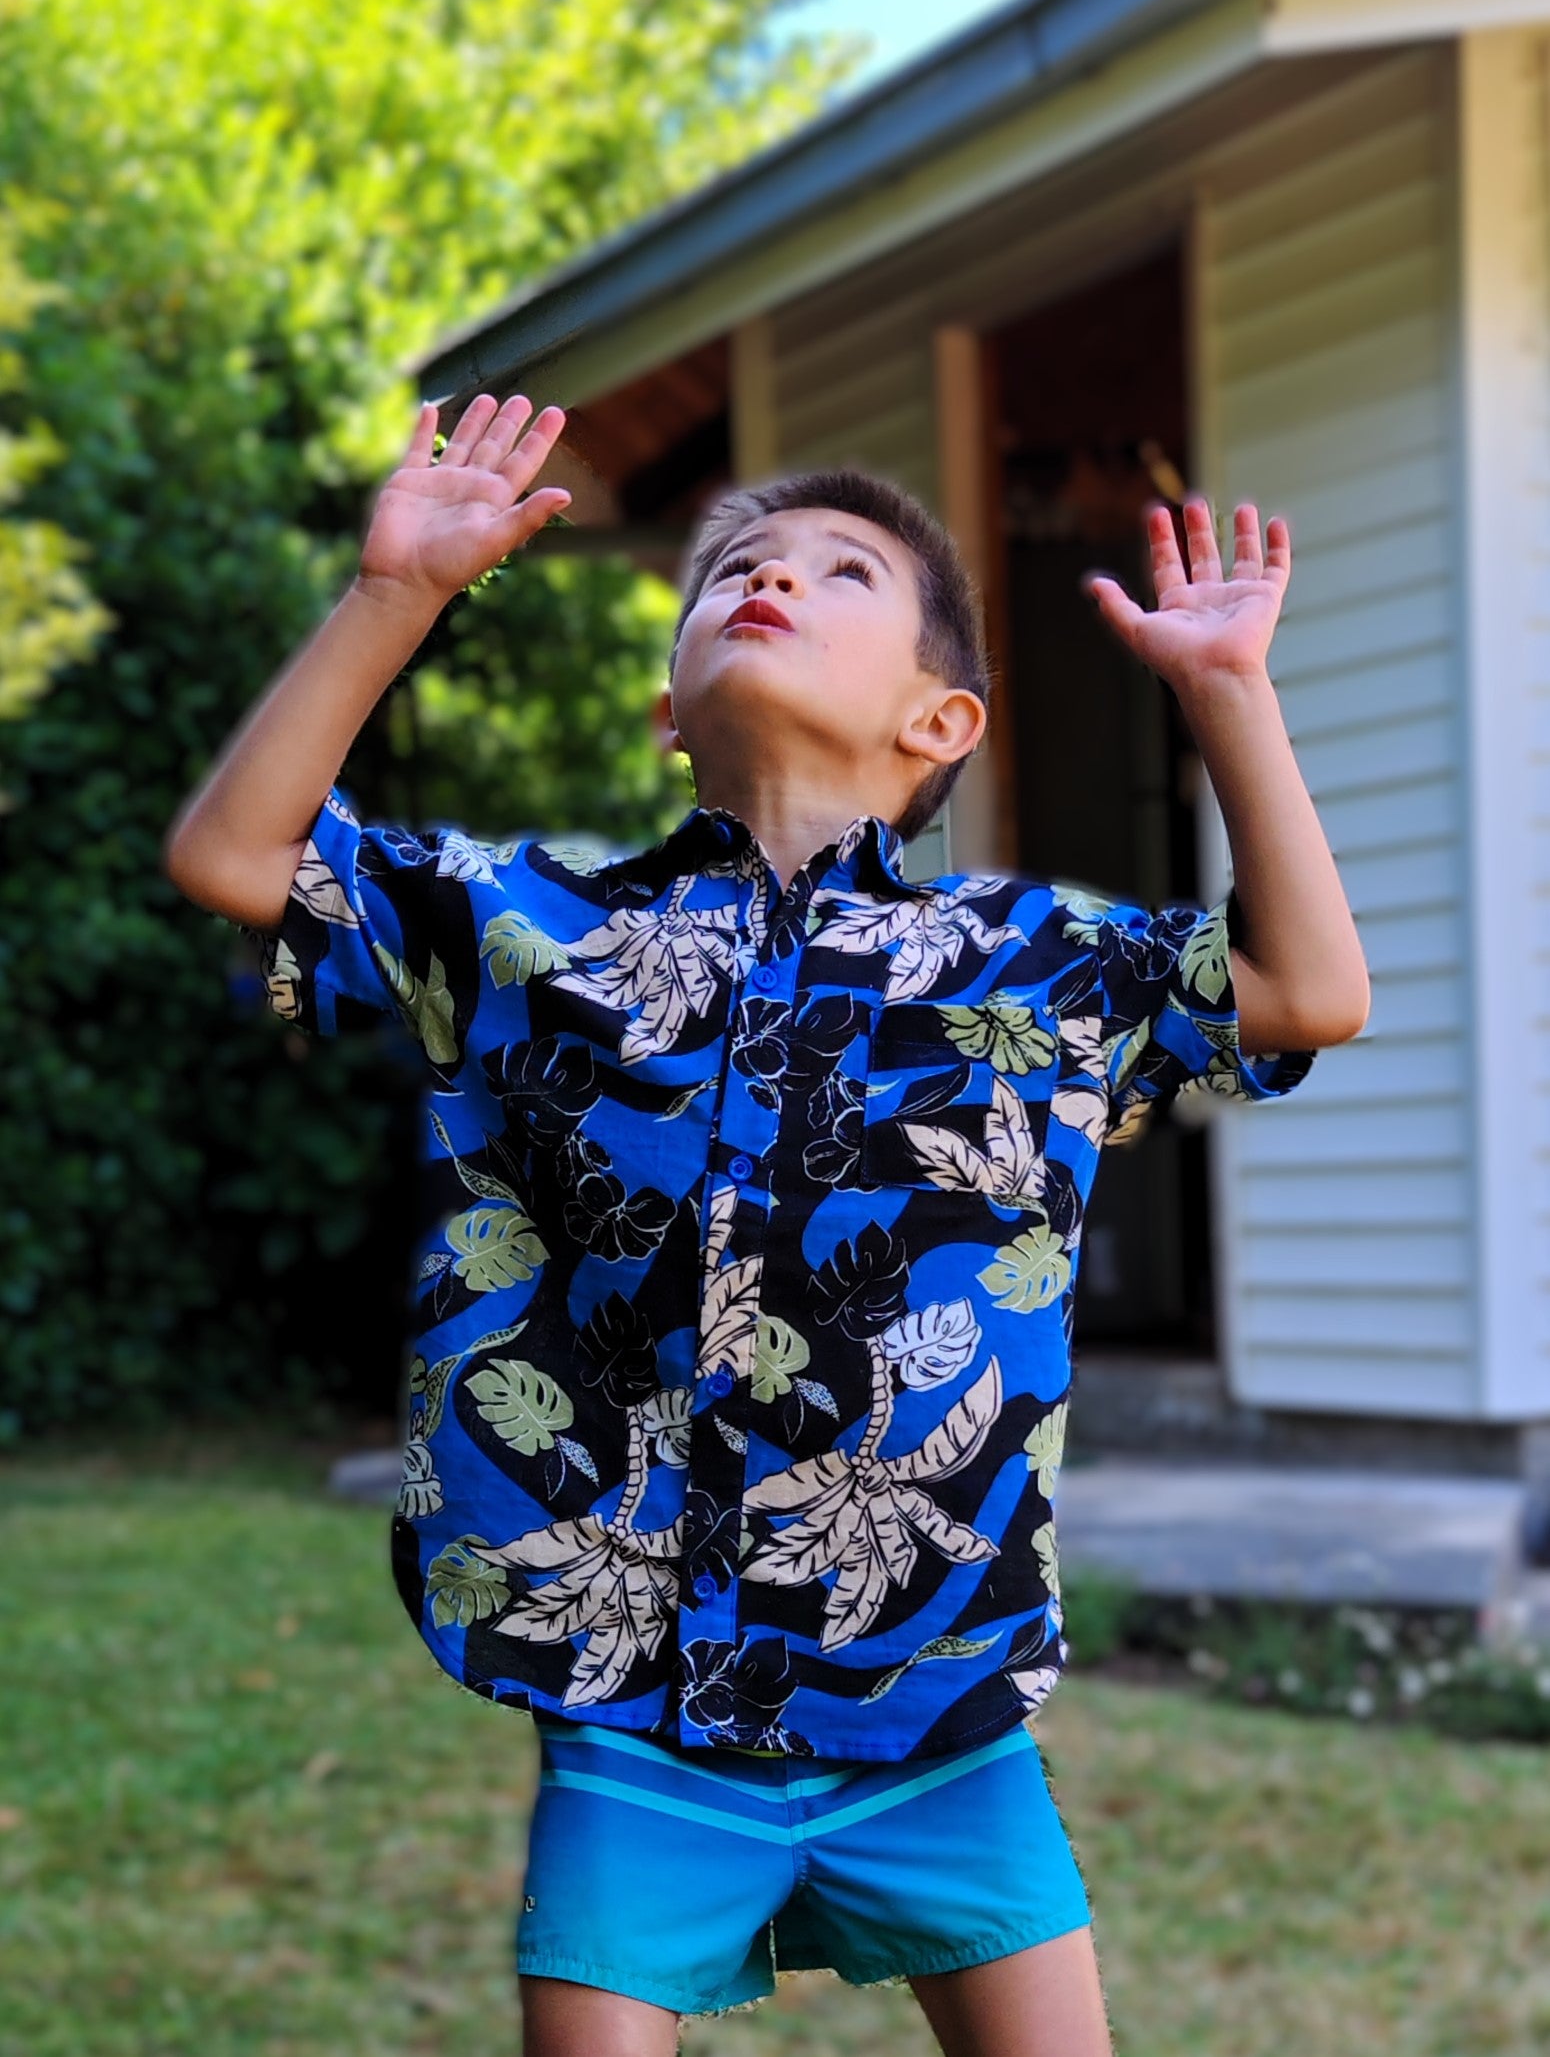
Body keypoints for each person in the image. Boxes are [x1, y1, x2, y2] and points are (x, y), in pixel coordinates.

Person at [163, 391, 1370, 2056]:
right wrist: (394, 595)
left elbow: (1305, 992)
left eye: (839, 570)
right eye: (733, 567)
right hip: (625, 1713)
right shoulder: (529, 929)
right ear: (670, 708)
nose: (771, 576)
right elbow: (239, 854)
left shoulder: (1033, 965)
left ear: (940, 721)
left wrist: (1228, 693)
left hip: (939, 1716)